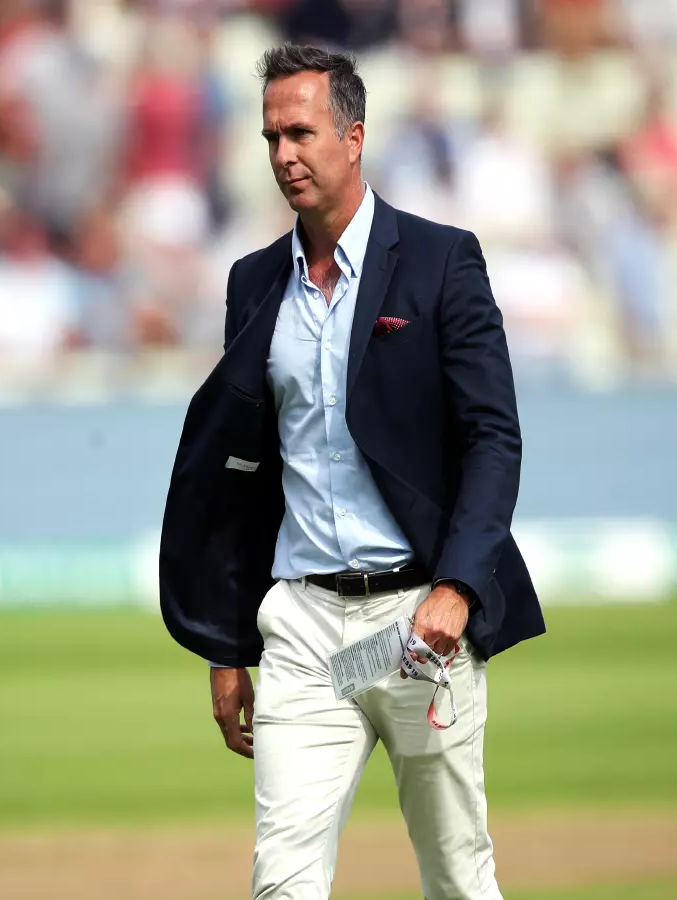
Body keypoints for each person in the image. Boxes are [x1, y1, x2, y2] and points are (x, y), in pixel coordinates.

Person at [159, 44, 544, 900]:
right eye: (271, 137)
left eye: (300, 133)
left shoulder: (442, 261)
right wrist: (226, 645)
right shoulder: (253, 282)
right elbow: (244, 475)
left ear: (354, 136)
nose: (283, 154)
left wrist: (458, 589)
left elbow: (492, 437)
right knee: (282, 882)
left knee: (457, 876)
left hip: (416, 624)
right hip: (301, 629)